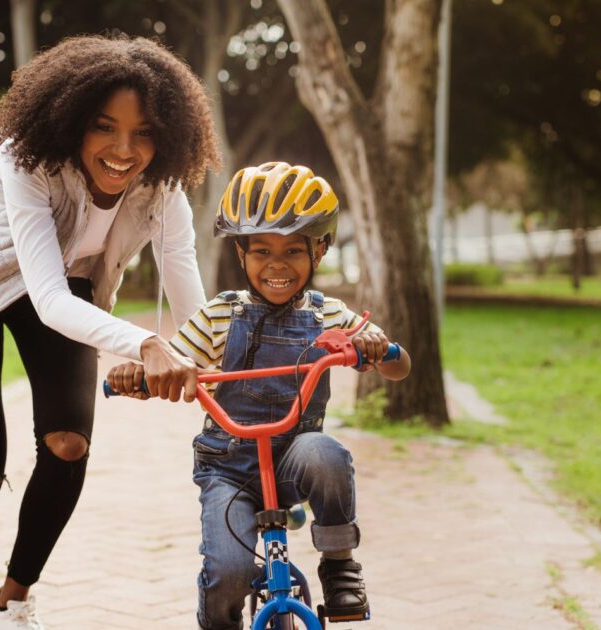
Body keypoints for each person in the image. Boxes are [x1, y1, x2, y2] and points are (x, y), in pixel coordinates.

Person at [0, 34, 221, 630]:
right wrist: (148, 345)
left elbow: (186, 288)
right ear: (72, 120)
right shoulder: (22, 158)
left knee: (68, 443)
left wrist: (213, 355)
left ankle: (15, 596)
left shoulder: (163, 188)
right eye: (104, 127)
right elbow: (47, 298)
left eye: (144, 132)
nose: (124, 149)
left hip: (64, 282)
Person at [107, 162, 412, 629]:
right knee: (227, 572)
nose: (277, 264)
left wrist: (378, 347)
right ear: (241, 252)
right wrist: (141, 374)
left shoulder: (330, 314)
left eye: (293, 250)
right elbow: (173, 361)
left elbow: (398, 365)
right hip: (228, 468)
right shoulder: (220, 314)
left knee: (327, 453)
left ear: (321, 249)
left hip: (295, 460)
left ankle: (338, 564)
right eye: (262, 250)